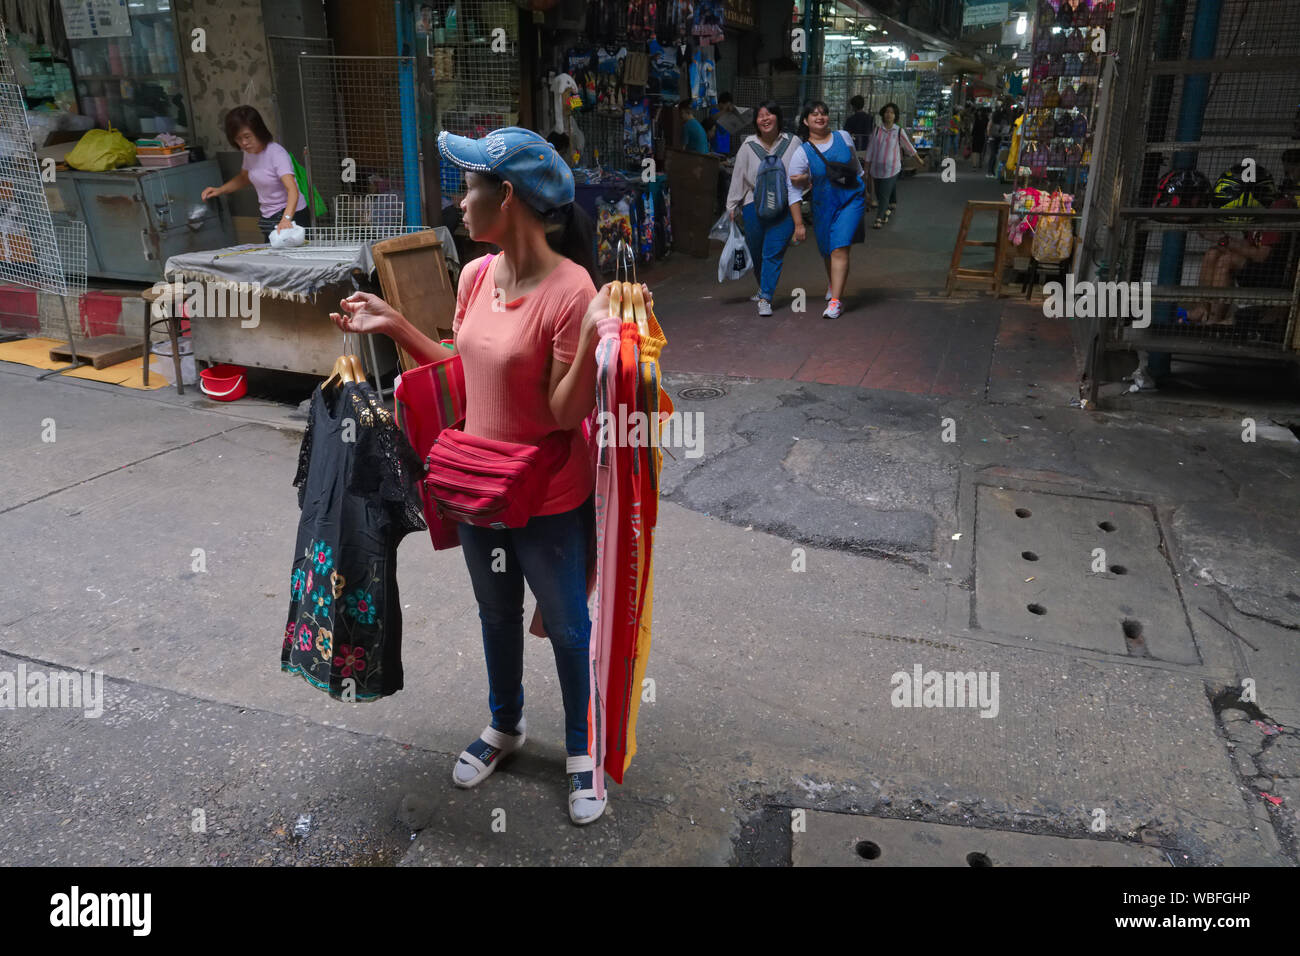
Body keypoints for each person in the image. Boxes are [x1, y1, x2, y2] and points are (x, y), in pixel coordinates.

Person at [328, 127, 642, 827]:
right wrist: (394, 325)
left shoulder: (571, 291)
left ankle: (582, 750)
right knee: (495, 613)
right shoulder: (475, 275)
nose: (458, 203)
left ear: (506, 197)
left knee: (566, 627)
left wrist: (593, 331)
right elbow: (464, 368)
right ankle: (505, 725)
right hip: (475, 484)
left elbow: (563, 415)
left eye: (468, 188)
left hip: (548, 496)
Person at [788, 100, 866, 320]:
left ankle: (835, 302)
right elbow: (792, 190)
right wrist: (798, 223)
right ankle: (833, 282)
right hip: (823, 205)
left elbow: (855, 166)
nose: (820, 117)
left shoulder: (843, 136)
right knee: (827, 249)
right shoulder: (802, 153)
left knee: (839, 248)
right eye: (813, 114)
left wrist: (865, 188)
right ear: (806, 121)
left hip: (851, 199)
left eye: (823, 113)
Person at [725, 100, 804, 316]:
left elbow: (805, 171)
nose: (765, 118)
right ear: (756, 121)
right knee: (757, 252)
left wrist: (803, 183)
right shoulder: (748, 145)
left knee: (773, 253)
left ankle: (766, 297)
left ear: (778, 117)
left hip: (785, 208)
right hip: (753, 206)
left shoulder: (793, 142)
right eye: (761, 116)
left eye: (770, 114)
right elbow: (738, 176)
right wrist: (732, 205)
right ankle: (762, 287)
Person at [201, 105, 308, 241]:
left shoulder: (276, 153)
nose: (244, 143)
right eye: (238, 139)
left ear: (259, 131)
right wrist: (220, 190)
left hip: (292, 215)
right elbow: (244, 178)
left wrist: (286, 219)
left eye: (247, 136)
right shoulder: (249, 153)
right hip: (269, 216)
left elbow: (292, 190)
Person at [862, 102, 919, 231]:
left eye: (892, 112)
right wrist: (866, 167)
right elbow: (870, 149)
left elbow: (908, 147)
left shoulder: (898, 131)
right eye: (887, 112)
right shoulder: (876, 130)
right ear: (883, 114)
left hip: (892, 168)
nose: (889, 114)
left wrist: (919, 160)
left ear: (895, 116)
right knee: (879, 192)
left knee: (883, 194)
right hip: (876, 169)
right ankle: (888, 207)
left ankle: (879, 218)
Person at [986, 107, 1009, 178]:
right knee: (994, 155)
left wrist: (989, 136)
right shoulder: (1001, 121)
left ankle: (990, 171)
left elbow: (988, 129)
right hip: (997, 138)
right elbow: (1003, 131)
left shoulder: (993, 121)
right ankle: (991, 171)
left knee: (993, 155)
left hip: (993, 139)